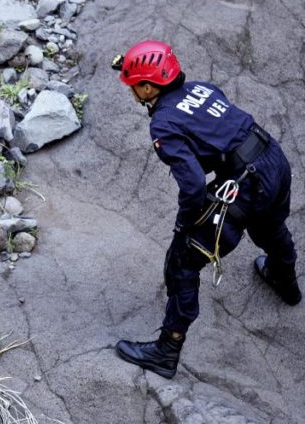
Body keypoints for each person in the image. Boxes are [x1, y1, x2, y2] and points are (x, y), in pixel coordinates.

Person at [110, 40, 301, 379]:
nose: (131, 93)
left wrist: (185, 227)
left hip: (242, 186)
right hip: (272, 160)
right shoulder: (202, 89)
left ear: (148, 86)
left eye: (132, 87)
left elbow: (194, 185)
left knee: (183, 261)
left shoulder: (163, 124)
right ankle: (285, 281)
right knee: (270, 227)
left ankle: (166, 351)